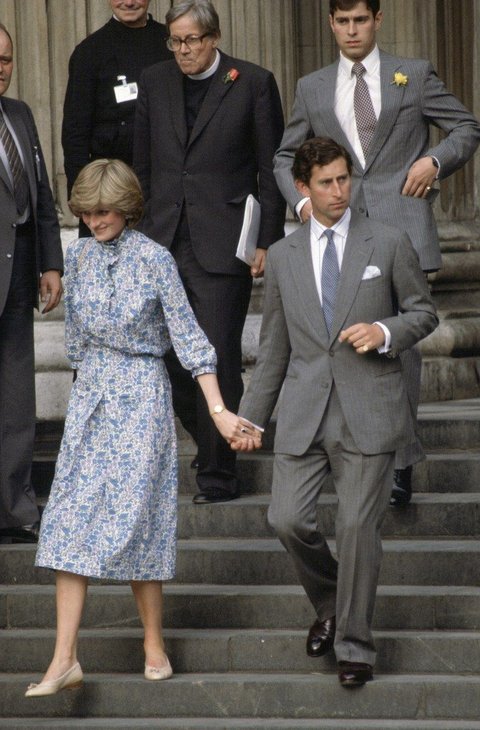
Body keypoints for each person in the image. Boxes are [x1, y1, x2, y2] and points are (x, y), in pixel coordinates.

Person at [26, 159, 252, 697]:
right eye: (86, 212)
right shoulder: (77, 257)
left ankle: (154, 642)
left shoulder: (155, 260)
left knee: (140, 519)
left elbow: (192, 342)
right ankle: (63, 659)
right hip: (91, 398)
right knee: (67, 521)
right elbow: (76, 341)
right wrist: (88, 391)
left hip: (143, 398)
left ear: (127, 208)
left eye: (104, 211)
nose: (94, 220)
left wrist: (218, 412)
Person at [233, 137, 438, 686]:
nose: (338, 190)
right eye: (326, 182)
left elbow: (423, 312)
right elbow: (274, 349)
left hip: (369, 408)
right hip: (304, 411)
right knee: (286, 518)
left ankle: (355, 647)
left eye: (344, 178)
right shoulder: (282, 256)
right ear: (303, 188)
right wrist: (251, 419)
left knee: (356, 527)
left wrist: (385, 331)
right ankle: (331, 601)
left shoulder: (387, 240)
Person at [273, 0, 480, 506]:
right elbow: (284, 155)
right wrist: (303, 203)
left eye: (360, 20)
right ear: (331, 24)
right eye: (343, 21)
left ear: (377, 20)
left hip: (402, 227)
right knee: (347, 343)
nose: (352, 30)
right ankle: (353, 450)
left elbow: (466, 127)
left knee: (399, 345)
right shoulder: (312, 87)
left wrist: (434, 161)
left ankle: (399, 462)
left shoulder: (414, 74)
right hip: (338, 231)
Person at [133, 0, 286, 504]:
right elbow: (143, 166)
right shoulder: (154, 81)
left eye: (191, 40)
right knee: (166, 356)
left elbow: (270, 168)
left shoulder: (253, 83)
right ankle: (214, 435)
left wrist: (267, 239)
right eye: (175, 41)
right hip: (161, 240)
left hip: (223, 244)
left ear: (214, 37)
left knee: (216, 355)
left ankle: (218, 474)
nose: (182, 50)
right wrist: (138, 237)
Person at [0, 23, 63, 544]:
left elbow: (40, 192)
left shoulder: (19, 114)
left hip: (18, 274)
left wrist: (51, 263)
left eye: (5, 59)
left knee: (17, 401)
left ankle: (16, 509)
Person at [62, 0, 171, 237]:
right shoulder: (89, 52)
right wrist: (86, 201)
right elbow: (74, 135)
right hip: (108, 197)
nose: (129, 2)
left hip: (165, 193)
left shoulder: (171, 43)